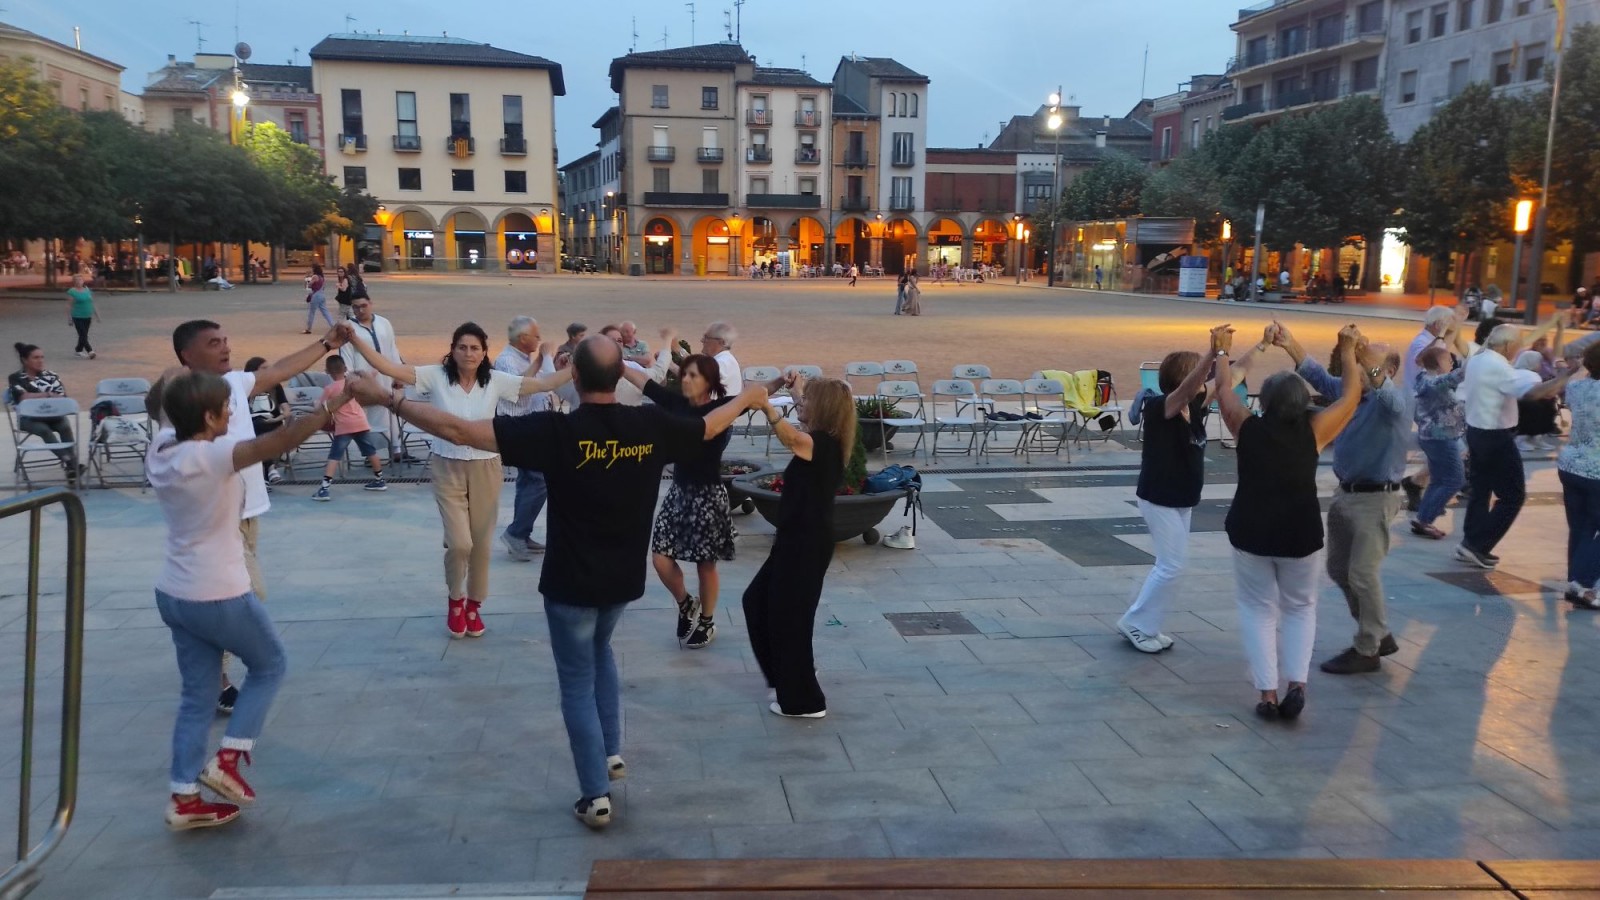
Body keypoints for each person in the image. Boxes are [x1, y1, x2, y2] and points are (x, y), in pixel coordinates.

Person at [348, 336, 766, 828]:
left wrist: (390, 399)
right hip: (621, 581)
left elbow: (458, 430)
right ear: (616, 378)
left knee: (576, 681)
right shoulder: (650, 424)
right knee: (601, 655)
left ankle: (595, 795)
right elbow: (708, 424)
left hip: (571, 584)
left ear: (577, 378)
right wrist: (750, 397)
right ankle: (609, 752)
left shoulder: (556, 431)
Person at [147, 370, 353, 830]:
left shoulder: (161, 446)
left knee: (197, 696)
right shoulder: (213, 455)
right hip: (217, 592)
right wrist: (331, 407)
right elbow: (277, 443)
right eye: (227, 407)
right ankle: (231, 758)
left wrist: (177, 378)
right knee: (270, 665)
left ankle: (183, 797)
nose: (232, 413)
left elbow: (158, 403)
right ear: (207, 416)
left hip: (174, 592)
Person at [165, 320, 351, 711]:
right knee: (247, 593)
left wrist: (326, 343)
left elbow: (277, 371)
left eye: (225, 340)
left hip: (248, 511)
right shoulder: (181, 399)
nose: (224, 348)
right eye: (213, 343)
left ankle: (211, 678)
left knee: (232, 596)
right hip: (216, 518)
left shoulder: (233, 382)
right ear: (187, 355)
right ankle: (213, 677)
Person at [343, 321, 572, 638]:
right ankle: (455, 599)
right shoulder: (435, 377)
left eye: (475, 348)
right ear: (452, 350)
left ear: (483, 353)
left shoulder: (495, 381)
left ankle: (474, 604)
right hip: (446, 466)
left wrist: (584, 363)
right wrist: (355, 339)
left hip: (486, 468)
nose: (468, 353)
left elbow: (544, 385)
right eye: (462, 347)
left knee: (480, 544)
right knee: (460, 543)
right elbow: (389, 368)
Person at [1216, 324, 1361, 720]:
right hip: (1300, 534)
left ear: (1264, 402)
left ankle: (1267, 693)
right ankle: (1297, 684)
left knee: (1257, 609)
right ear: (1303, 404)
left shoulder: (1247, 428)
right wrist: (1346, 349)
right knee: (1300, 608)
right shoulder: (1315, 430)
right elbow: (1350, 397)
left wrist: (1221, 351)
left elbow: (1224, 390)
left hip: (1251, 531)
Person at [1276, 323, 1410, 676]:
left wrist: (1360, 356)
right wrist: (1290, 342)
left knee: (1363, 573)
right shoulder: (1354, 392)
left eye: (1368, 363)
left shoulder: (1395, 401)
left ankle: (1368, 650)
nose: (1359, 368)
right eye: (1359, 361)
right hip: (1345, 493)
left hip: (1376, 499)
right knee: (1338, 569)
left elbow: (1391, 399)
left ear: (1389, 370)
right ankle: (1378, 632)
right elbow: (1318, 376)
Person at [743, 374, 853, 719]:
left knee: (791, 619)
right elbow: (799, 428)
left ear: (823, 408)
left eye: (807, 401)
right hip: (795, 540)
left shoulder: (819, 442)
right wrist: (795, 388)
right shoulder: (826, 439)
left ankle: (805, 701)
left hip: (805, 544)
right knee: (757, 601)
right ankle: (784, 676)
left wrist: (766, 408)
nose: (801, 404)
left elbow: (791, 437)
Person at [1116, 327, 1231, 654]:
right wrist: (1212, 353)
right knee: (1172, 566)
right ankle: (1137, 624)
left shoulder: (1194, 406)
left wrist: (1256, 349)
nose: (1205, 378)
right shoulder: (1161, 408)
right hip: (1160, 497)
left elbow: (1230, 379)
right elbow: (1190, 387)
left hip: (1181, 498)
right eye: (1199, 372)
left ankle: (1143, 623)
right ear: (1185, 379)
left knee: (1171, 566)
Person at [619, 350, 736, 649]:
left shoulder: (723, 409)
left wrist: (778, 382)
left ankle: (707, 621)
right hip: (679, 493)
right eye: (684, 373)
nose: (685, 379)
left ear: (709, 381)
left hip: (707, 496)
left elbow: (752, 397)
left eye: (693, 375)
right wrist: (614, 365)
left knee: (705, 565)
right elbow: (645, 383)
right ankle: (686, 604)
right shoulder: (676, 403)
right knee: (660, 558)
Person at [1456, 322, 1578, 569]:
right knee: (1513, 496)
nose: (1519, 349)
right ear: (1509, 345)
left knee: (1480, 491)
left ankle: (1470, 542)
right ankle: (1477, 545)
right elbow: (1532, 393)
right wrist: (1565, 376)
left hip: (1477, 431)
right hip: (1495, 436)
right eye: (1518, 344)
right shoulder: (1497, 366)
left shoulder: (1480, 358)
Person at [494, 316, 554, 561]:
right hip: (518, 428)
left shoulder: (522, 358)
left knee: (528, 481)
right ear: (523, 339)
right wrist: (541, 360)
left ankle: (522, 533)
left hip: (529, 427)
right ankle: (516, 533)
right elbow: (517, 393)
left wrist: (540, 359)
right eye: (536, 335)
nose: (539, 339)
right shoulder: (507, 360)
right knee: (539, 480)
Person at [1411, 343, 1469, 540]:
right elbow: (1455, 377)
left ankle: (1423, 520)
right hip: (1440, 438)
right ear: (1436, 364)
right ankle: (1426, 519)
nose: (1451, 361)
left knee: (1438, 480)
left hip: (1437, 437)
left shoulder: (1425, 378)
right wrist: (1474, 362)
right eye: (1447, 359)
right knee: (1455, 479)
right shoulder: (1431, 383)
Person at [311, 355, 387, 501]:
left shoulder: (329, 388)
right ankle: (380, 479)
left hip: (344, 425)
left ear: (327, 371)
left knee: (334, 455)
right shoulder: (354, 382)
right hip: (360, 422)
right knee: (370, 451)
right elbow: (370, 375)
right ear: (345, 368)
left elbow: (321, 407)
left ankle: (324, 488)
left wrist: (315, 403)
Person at [1559, 342, 1600, 608]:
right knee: (1592, 529)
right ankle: (1583, 584)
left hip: (1571, 464)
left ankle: (1575, 580)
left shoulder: (1575, 387)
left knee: (1581, 527)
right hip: (1596, 471)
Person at [340, 295, 405, 453]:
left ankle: (397, 450)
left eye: (363, 305)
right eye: (356, 307)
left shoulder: (384, 323)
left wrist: (398, 373)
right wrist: (353, 379)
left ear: (370, 304)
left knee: (393, 412)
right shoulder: (348, 328)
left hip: (387, 377)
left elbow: (392, 349)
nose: (360, 310)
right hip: (366, 381)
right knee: (369, 418)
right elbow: (346, 355)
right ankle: (371, 455)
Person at [7, 342, 79, 474]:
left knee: (65, 426)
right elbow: (23, 397)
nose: (40, 361)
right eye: (36, 358)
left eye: (42, 357)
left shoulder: (51, 375)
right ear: (25, 360)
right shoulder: (16, 378)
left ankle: (71, 468)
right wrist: (48, 394)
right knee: (44, 430)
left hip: (52, 415)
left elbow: (62, 397)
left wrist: (39, 397)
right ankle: (70, 463)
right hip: (28, 418)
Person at [243, 357, 289, 487]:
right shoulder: (245, 387)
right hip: (252, 424)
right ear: (253, 371)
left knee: (261, 429)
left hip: (273, 422)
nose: (268, 371)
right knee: (258, 427)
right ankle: (270, 469)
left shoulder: (275, 386)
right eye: (264, 368)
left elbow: (286, 411)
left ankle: (264, 476)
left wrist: (276, 418)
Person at [701, 321, 743, 396]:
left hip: (718, 407)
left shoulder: (722, 363)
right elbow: (694, 368)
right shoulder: (725, 359)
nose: (702, 340)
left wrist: (672, 364)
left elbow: (695, 378)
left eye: (706, 338)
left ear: (721, 342)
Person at [66, 274, 100, 359]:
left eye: (80, 280)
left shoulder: (87, 290)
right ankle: (90, 351)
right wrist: (69, 318)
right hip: (77, 316)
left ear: (83, 281)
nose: (79, 282)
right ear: (74, 282)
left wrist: (97, 315)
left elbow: (92, 303)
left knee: (83, 334)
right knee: (83, 334)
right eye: (77, 280)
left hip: (87, 315)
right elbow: (69, 305)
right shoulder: (72, 291)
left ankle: (78, 350)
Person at [303, 264, 332, 334]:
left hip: (315, 295)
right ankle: (333, 325)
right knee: (325, 311)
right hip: (322, 294)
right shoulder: (322, 277)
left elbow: (309, 285)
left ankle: (308, 328)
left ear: (314, 269)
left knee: (311, 312)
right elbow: (324, 287)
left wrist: (308, 279)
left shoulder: (315, 276)